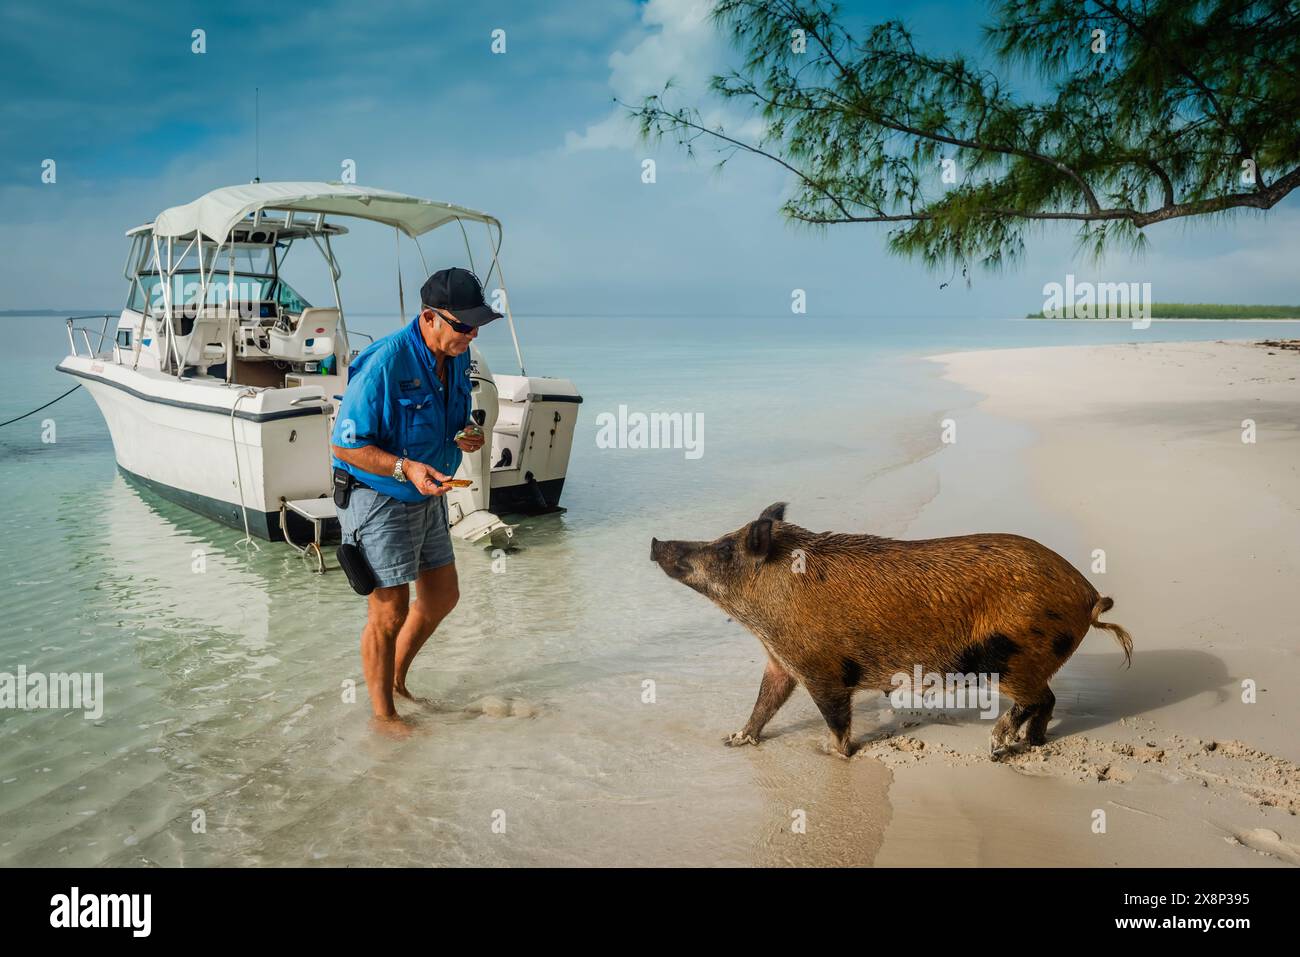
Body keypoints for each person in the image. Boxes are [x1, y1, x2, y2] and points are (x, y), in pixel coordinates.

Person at [330, 267, 501, 729]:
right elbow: (345, 444)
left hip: (430, 493)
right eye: (463, 324)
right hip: (377, 495)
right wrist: (405, 468)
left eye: (477, 324)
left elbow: (456, 419)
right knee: (389, 610)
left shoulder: (456, 357)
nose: (472, 333)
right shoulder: (384, 362)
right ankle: (383, 718)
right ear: (429, 318)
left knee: (443, 595)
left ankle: (398, 680)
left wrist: (467, 435)